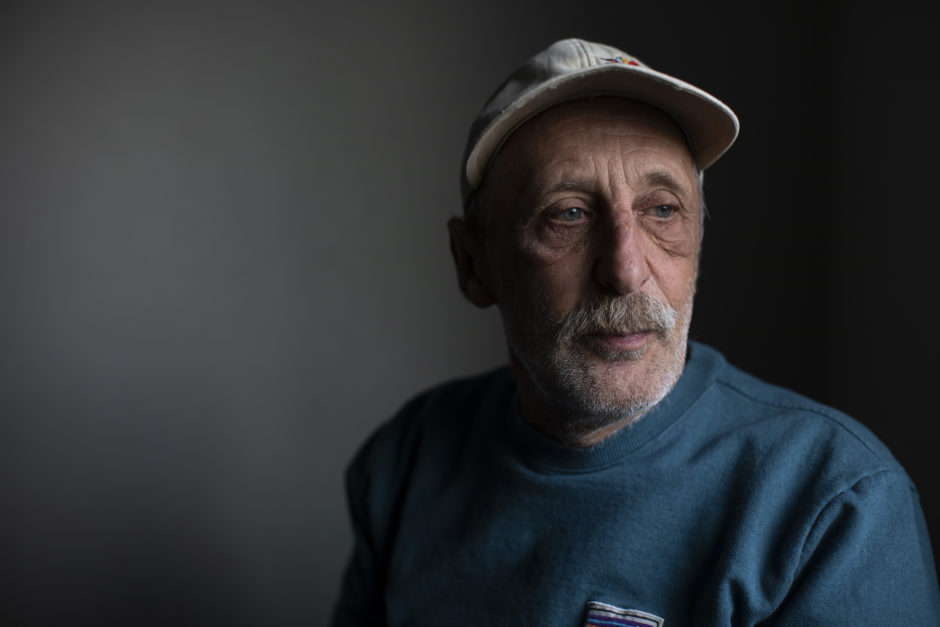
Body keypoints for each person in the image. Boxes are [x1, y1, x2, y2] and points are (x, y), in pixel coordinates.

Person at [331, 38, 940, 625]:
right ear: (475, 265)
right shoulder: (405, 465)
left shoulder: (833, 503)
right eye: (568, 214)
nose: (625, 270)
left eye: (662, 211)